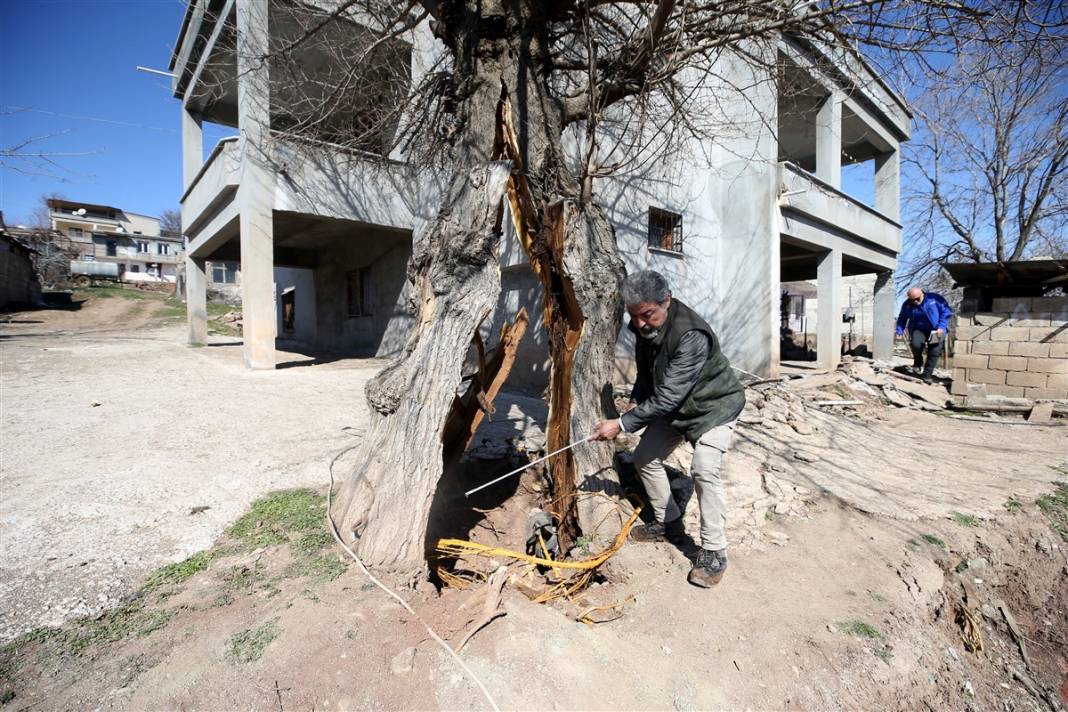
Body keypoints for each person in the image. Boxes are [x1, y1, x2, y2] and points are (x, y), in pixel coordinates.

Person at [591, 270, 746, 588]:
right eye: (634, 317)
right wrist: (635, 400)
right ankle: (669, 522)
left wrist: (621, 424)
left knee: (703, 470)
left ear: (667, 300)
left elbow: (669, 395)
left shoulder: (690, 335)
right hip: (677, 409)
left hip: (713, 408)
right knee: (645, 456)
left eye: (648, 315)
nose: (641, 323)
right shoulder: (642, 328)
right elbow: (647, 375)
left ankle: (714, 552)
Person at [895, 287, 953, 383]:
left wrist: (941, 326)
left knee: (934, 351)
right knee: (915, 344)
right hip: (919, 329)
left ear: (922, 293)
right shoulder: (907, 304)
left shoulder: (934, 299)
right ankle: (918, 363)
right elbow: (902, 318)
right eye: (912, 300)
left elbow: (946, 312)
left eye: (917, 298)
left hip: (936, 330)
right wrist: (899, 331)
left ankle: (927, 374)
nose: (915, 301)